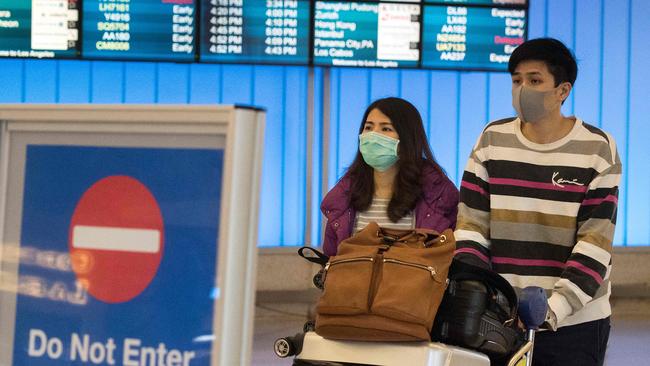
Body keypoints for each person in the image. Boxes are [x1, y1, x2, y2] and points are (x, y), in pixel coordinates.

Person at [454, 38, 620, 366]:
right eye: (516, 80)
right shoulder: (492, 139)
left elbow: (595, 243)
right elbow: (471, 224)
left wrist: (551, 309)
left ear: (563, 90)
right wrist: (482, 294)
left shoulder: (597, 148)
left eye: (535, 80)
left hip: (574, 322)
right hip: (499, 317)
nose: (522, 89)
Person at [320, 97, 459, 257]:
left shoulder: (437, 196)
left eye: (386, 129)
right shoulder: (344, 196)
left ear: (407, 138)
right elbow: (331, 257)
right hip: (353, 281)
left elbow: (447, 258)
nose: (373, 136)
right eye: (368, 127)